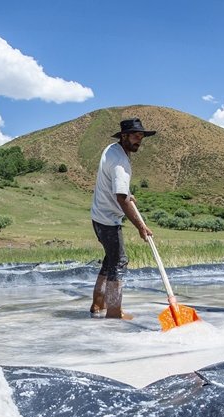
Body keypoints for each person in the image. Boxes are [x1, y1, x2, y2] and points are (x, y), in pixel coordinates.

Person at [89, 118, 155, 320]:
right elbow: (120, 198)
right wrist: (141, 226)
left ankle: (98, 304)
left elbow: (119, 190)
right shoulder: (121, 162)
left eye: (141, 136)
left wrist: (127, 193)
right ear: (124, 136)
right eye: (135, 136)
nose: (139, 140)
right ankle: (114, 312)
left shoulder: (112, 149)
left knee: (110, 260)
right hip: (108, 220)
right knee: (119, 262)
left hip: (98, 216)